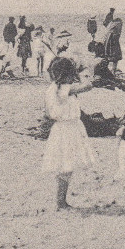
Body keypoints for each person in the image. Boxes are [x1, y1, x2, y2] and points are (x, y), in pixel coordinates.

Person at [42, 57, 96, 210]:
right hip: (67, 129)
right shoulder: (62, 89)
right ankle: (61, 202)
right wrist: (83, 75)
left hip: (62, 128)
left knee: (66, 165)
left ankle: (61, 200)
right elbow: (87, 86)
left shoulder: (53, 88)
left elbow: (47, 113)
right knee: (66, 165)